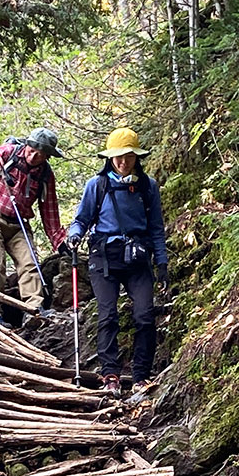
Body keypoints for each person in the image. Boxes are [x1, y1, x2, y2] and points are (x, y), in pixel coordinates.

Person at [66, 127, 168, 398]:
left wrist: (162, 263)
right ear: (110, 158)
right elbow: (81, 220)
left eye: (129, 157)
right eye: (118, 157)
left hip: (138, 257)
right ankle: (110, 375)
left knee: (145, 316)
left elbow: (156, 228)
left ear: (137, 157)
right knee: (108, 315)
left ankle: (140, 376)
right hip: (105, 258)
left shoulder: (148, 186)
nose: (123, 162)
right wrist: (74, 235)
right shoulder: (96, 185)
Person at [0, 127, 68, 317]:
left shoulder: (45, 175)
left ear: (47, 156)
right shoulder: (8, 152)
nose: (33, 156)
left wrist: (59, 241)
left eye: (40, 154)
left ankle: (34, 310)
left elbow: (50, 210)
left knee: (30, 265)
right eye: (31, 150)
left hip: (19, 224)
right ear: (26, 145)